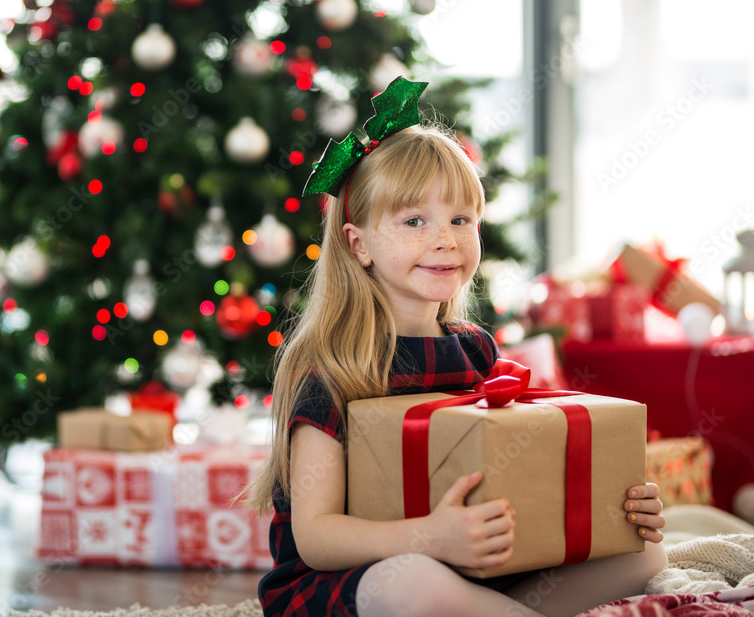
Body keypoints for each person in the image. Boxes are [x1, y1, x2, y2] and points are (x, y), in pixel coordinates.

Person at [243, 77, 667, 617]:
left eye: (460, 220)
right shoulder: (332, 368)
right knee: (414, 582)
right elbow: (317, 538)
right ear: (359, 244)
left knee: (643, 552)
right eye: (414, 221)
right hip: (357, 584)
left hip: (477, 567)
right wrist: (430, 537)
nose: (444, 238)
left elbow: (518, 467)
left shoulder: (474, 351)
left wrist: (614, 506)